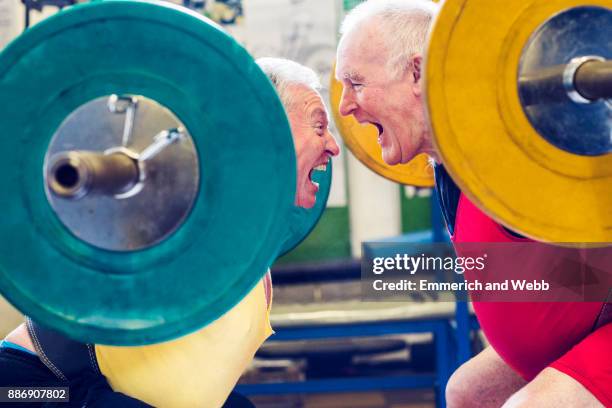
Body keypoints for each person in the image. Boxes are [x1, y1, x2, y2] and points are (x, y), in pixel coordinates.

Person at [0, 57, 339, 407]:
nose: (333, 145)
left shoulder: (251, 244)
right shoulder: (174, 213)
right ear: (265, 130)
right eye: (318, 127)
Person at [334, 1, 611, 407]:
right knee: (467, 392)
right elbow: (544, 271)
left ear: (417, 73)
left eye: (356, 84)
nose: (344, 107)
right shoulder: (454, 167)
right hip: (575, 327)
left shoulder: (521, 152)